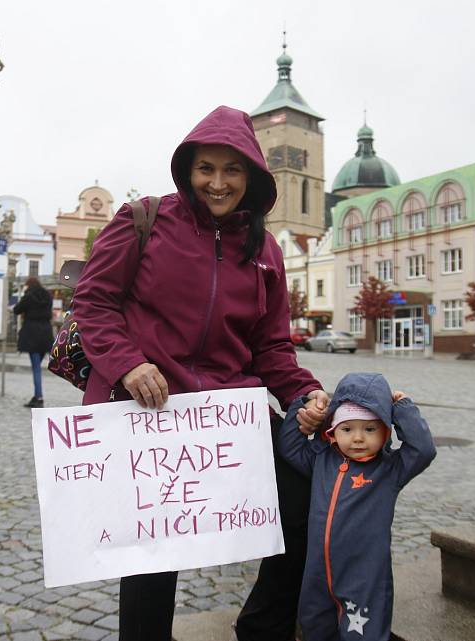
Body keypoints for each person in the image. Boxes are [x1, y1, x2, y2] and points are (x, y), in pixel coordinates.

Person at [70, 105, 330, 641]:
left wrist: (303, 391)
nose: (218, 183)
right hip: (152, 415)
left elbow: (272, 346)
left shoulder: (266, 250)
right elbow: (93, 304)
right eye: (206, 168)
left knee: (305, 501)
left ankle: (262, 625)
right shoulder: (143, 220)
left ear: (252, 176)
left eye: (232, 170)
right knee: (153, 555)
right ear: (188, 170)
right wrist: (128, 363)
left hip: (228, 419)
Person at [277, 372, 437, 641]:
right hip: (318, 574)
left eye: (370, 429)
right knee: (315, 627)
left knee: (363, 634)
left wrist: (401, 410)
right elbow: (289, 447)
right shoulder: (321, 461)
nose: (358, 438)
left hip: (364, 578)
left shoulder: (390, 470)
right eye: (347, 429)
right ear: (332, 430)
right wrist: (303, 403)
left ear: (385, 429)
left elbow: (423, 450)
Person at [13, 277, 53, 408]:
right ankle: (37, 395)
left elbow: (17, 310)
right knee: (37, 367)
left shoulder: (28, 296)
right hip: (46, 334)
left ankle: (38, 397)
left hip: (32, 335)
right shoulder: (48, 296)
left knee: (36, 368)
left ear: (29, 285)